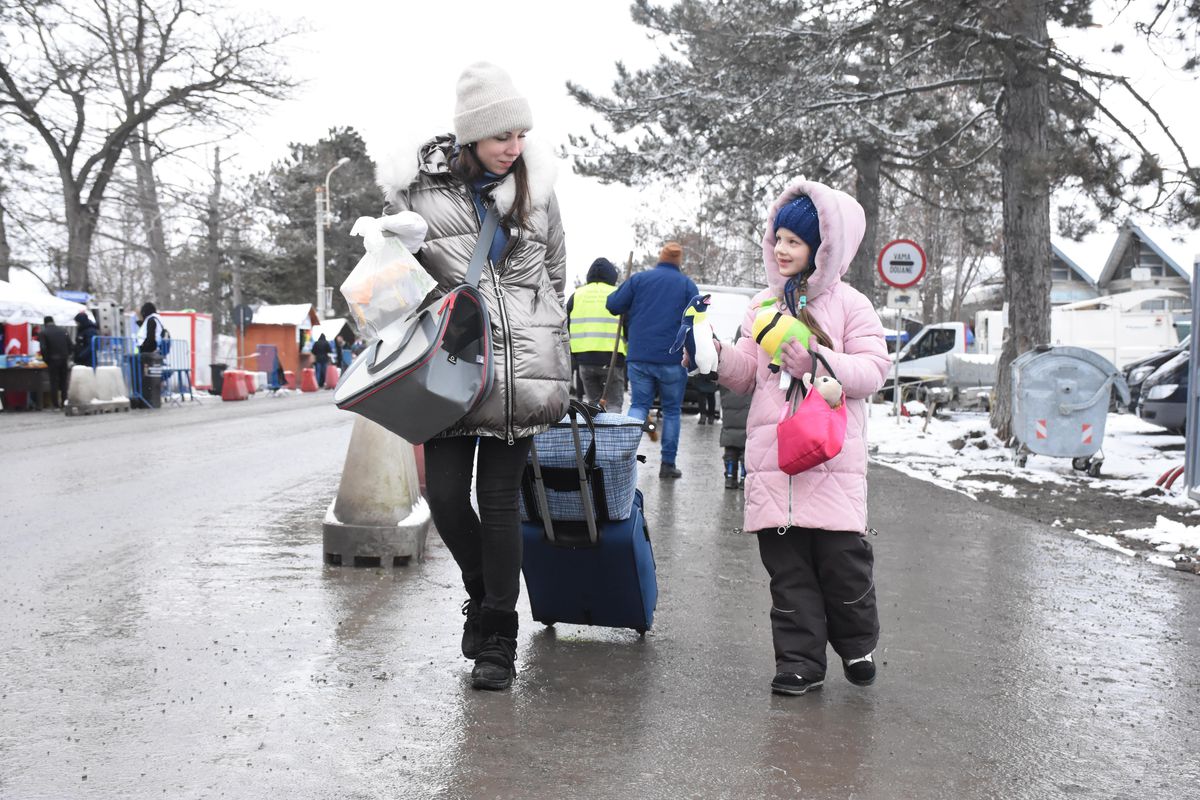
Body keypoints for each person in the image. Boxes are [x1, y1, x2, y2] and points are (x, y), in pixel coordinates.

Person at [382, 62, 570, 691]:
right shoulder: (418, 189)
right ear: (470, 139)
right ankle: (482, 589)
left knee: (497, 505)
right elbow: (391, 279)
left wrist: (538, 332)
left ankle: (497, 638)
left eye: (520, 135)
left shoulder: (537, 189)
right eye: (500, 138)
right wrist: (396, 246)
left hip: (516, 370)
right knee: (443, 498)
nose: (513, 148)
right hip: (449, 367)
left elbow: (555, 273)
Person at [713, 181, 890, 697]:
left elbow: (874, 369)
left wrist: (817, 360)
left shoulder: (852, 304)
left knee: (843, 567)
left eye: (795, 240)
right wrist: (714, 357)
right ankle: (799, 663)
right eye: (778, 239)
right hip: (776, 464)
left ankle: (857, 643)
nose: (782, 249)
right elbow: (747, 372)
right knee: (788, 574)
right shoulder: (761, 305)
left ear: (824, 247)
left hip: (831, 459)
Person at [605, 241, 699, 478]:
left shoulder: (639, 280)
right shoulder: (688, 286)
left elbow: (613, 305)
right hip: (673, 359)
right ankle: (667, 465)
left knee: (638, 405)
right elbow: (696, 323)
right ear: (679, 262)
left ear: (660, 257)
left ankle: (623, 462)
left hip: (640, 356)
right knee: (671, 411)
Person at [567, 257, 626, 409]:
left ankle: (595, 433)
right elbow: (629, 325)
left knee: (593, 407)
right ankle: (611, 433)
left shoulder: (577, 295)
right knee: (613, 405)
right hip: (613, 359)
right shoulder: (619, 294)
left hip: (585, 360)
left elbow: (565, 326)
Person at [37, 315, 72, 409]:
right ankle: (64, 402)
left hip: (52, 360)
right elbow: (70, 345)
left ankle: (55, 404)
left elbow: (43, 348)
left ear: (45, 323)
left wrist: (46, 360)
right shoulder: (63, 331)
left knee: (54, 382)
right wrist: (67, 356)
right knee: (64, 382)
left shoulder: (43, 333)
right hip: (64, 359)